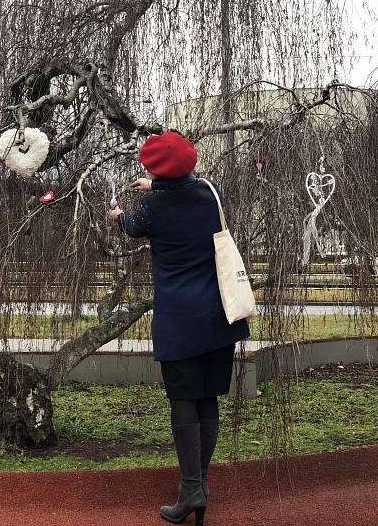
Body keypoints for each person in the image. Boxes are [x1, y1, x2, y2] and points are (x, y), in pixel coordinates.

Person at [108, 131, 250, 525]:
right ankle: (199, 485)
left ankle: (191, 490)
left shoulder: (152, 209)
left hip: (179, 320)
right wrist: (155, 184)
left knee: (184, 400)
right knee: (208, 399)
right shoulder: (211, 193)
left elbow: (133, 226)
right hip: (220, 316)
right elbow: (183, 189)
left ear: (156, 171)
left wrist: (118, 214)